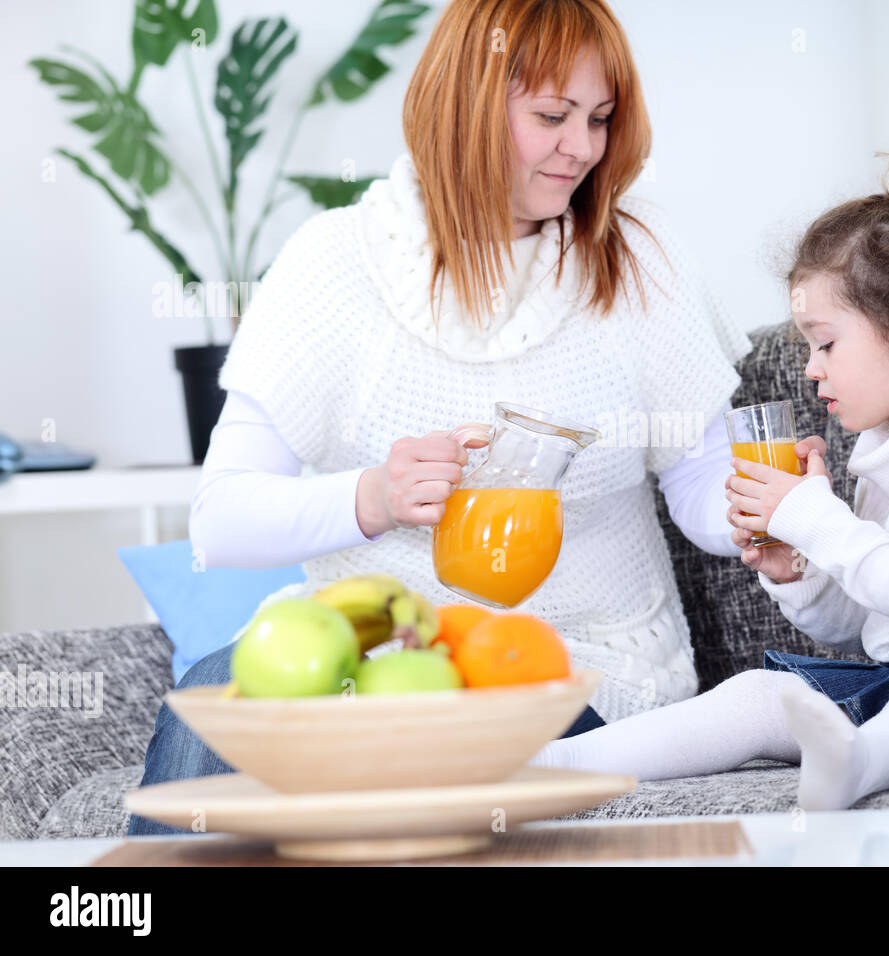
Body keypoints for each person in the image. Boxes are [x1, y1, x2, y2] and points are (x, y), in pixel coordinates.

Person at [126, 0, 780, 836]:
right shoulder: (333, 266)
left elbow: (697, 478)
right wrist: (373, 498)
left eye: (600, 119)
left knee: (407, 751)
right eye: (552, 115)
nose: (581, 148)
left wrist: (769, 520)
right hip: (373, 657)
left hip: (571, 671)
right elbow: (221, 521)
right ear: (466, 102)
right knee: (215, 701)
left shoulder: (636, 256)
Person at [530, 147, 889, 811]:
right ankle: (558, 759)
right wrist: (800, 569)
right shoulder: (882, 448)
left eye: (826, 343)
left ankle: (858, 763)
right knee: (758, 696)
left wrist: (816, 514)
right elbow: (871, 622)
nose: (812, 368)